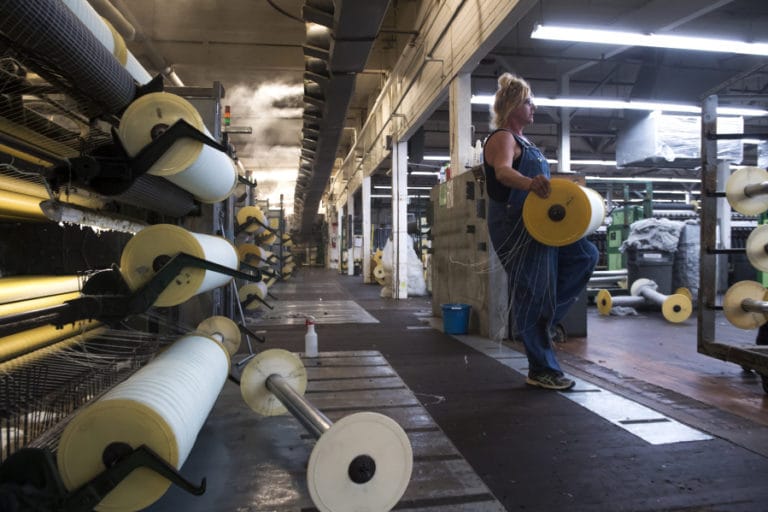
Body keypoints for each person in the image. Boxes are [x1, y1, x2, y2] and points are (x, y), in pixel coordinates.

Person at [483, 73, 598, 390]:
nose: (534, 107)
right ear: (514, 105)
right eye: (529, 102)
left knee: (586, 254)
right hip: (516, 224)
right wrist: (530, 183)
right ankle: (541, 368)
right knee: (534, 291)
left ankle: (539, 320)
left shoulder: (527, 142)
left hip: (541, 221)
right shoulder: (502, 137)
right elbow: (504, 172)